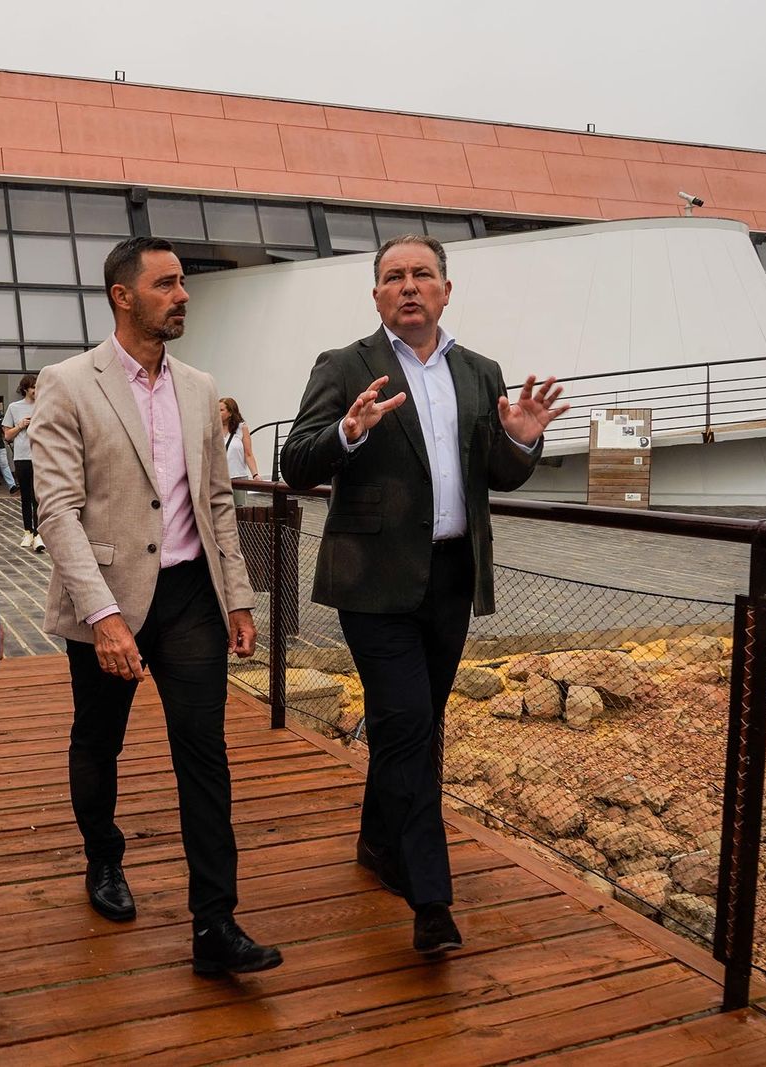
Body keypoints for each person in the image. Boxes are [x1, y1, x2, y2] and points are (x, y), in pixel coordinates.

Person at [280, 234, 566, 955]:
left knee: (413, 725)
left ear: (446, 289)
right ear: (376, 294)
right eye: (392, 276)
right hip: (371, 581)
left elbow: (496, 474)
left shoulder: (480, 371)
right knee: (409, 724)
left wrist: (522, 443)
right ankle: (431, 896)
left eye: (422, 275)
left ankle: (378, 842)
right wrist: (345, 433)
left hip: (449, 579)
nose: (408, 286)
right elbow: (294, 460)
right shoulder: (346, 366)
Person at [32, 236, 281, 976]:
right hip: (105, 597)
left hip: (190, 596)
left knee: (204, 752)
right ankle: (103, 858)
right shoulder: (69, 382)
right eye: (167, 283)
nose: (183, 295)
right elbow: (56, 509)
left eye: (183, 284)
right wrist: (103, 617)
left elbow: (215, 500)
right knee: (98, 740)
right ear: (124, 295)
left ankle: (215, 924)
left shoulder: (202, 387)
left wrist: (238, 595)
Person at [3, 374, 42, 551]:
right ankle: (28, 532)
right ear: (25, 389)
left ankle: (39, 534)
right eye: (33, 387)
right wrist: (20, 425)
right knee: (26, 496)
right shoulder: (14, 407)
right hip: (22, 456)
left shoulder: (44, 405)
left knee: (39, 497)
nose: (36, 390)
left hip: (41, 456)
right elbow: (7, 435)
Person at [218, 396, 259, 506]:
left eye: (221, 410)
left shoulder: (241, 428)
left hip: (238, 476)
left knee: (240, 510)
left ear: (230, 412)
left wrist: (255, 474)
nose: (217, 413)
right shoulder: (213, 429)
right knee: (221, 511)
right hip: (219, 478)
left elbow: (248, 453)